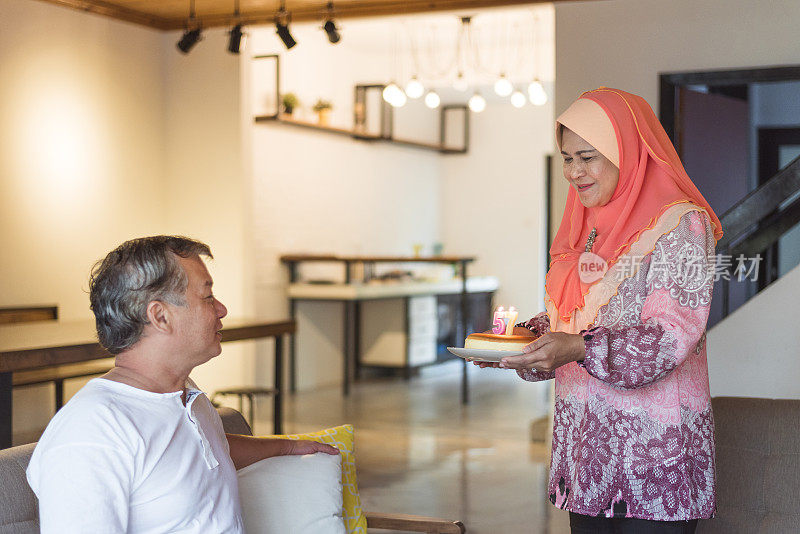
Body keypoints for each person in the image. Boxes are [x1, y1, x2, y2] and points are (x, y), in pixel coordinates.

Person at [475, 88, 722, 533]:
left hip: (653, 456)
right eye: (567, 158)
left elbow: (670, 336)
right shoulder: (584, 228)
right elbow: (574, 319)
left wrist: (577, 349)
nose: (573, 172)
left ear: (626, 152)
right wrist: (522, 340)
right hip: (586, 455)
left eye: (587, 157)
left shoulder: (681, 224)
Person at [26, 236, 338, 533]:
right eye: (208, 296)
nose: (222, 309)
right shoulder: (91, 433)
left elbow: (204, 451)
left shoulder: (184, 396)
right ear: (160, 316)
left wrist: (288, 446)